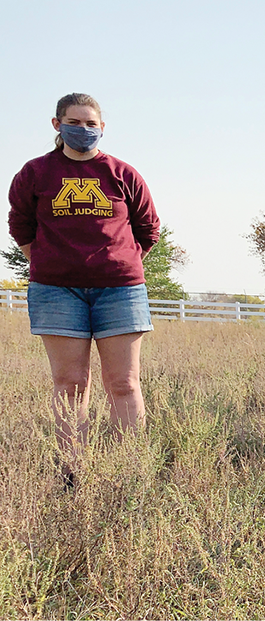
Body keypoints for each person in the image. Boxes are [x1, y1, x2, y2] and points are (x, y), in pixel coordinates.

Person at [7, 93, 160, 486]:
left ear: (102, 128)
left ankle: (130, 473)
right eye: (75, 122)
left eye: (92, 124)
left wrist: (120, 259)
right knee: (70, 382)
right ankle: (73, 473)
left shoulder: (122, 173)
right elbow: (21, 224)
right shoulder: (35, 173)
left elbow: (148, 228)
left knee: (123, 383)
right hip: (57, 290)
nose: (84, 130)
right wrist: (46, 259)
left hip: (119, 290)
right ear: (57, 125)